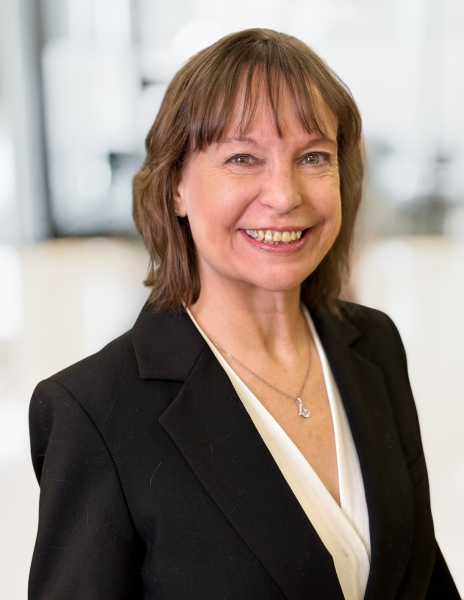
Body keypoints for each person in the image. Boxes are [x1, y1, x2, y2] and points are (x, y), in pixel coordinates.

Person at [28, 29, 460, 600]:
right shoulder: (94, 412)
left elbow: (421, 577)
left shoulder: (373, 343)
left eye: (313, 157)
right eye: (242, 158)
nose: (284, 195)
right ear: (175, 186)